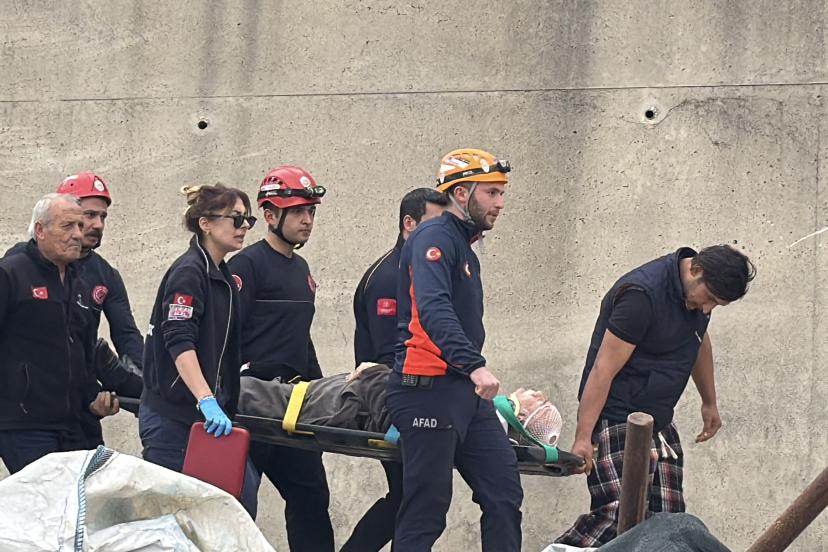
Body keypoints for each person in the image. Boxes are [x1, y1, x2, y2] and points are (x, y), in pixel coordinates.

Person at [556, 245, 756, 547]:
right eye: (710, 299)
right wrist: (584, 436)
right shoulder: (641, 296)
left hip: (659, 421)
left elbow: (699, 341)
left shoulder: (696, 301)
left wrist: (709, 401)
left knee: (667, 524)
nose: (707, 310)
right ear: (696, 270)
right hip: (618, 417)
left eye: (717, 305)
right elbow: (602, 369)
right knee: (617, 516)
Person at [386, 148, 523, 551]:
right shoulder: (434, 237)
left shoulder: (462, 244)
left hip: (464, 393)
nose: (500, 203)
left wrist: (470, 373)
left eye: (502, 193)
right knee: (426, 509)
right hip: (426, 389)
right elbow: (433, 308)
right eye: (492, 192)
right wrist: (475, 365)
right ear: (461, 194)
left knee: (503, 494)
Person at [228, 165, 334, 550]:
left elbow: (300, 338)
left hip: (293, 406)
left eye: (311, 212)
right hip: (250, 405)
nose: (308, 220)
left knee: (311, 499)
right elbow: (225, 336)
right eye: (299, 212)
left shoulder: (301, 269)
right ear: (271, 216)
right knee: (236, 504)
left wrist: (322, 391)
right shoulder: (245, 266)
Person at [139, 184, 256, 513]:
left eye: (248, 220)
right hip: (173, 418)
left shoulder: (222, 276)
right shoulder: (189, 273)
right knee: (173, 519)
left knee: (237, 505)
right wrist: (206, 400)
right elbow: (179, 339)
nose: (244, 227)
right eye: (236, 219)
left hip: (208, 419)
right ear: (206, 224)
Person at [345, 187, 448, 552]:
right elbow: (386, 358)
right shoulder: (389, 278)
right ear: (409, 224)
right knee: (411, 498)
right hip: (391, 404)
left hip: (421, 401)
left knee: (412, 499)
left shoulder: (421, 273)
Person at [0, 193, 116, 473]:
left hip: (74, 423)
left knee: (83, 497)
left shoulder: (80, 282)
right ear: (40, 230)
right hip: (24, 425)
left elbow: (83, 352)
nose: (78, 234)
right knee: (48, 497)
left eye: (80, 226)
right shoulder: (11, 274)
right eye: (68, 226)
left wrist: (92, 399)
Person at [238, 362, 562, 448]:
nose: (537, 391)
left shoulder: (471, 416)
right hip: (344, 399)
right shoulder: (476, 416)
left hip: (341, 403)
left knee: (242, 394)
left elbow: (402, 414)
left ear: (521, 415)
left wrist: (378, 375)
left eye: (539, 400)